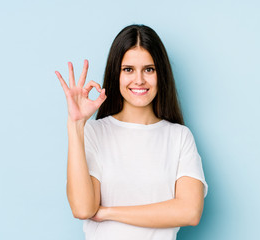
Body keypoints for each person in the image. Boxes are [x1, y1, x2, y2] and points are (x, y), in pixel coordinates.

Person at [55, 24, 208, 240]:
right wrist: (76, 124)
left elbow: (190, 211)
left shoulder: (179, 137)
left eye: (149, 69)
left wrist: (109, 212)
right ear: (116, 73)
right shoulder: (95, 132)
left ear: (160, 74)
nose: (139, 80)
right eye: (128, 69)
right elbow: (82, 209)